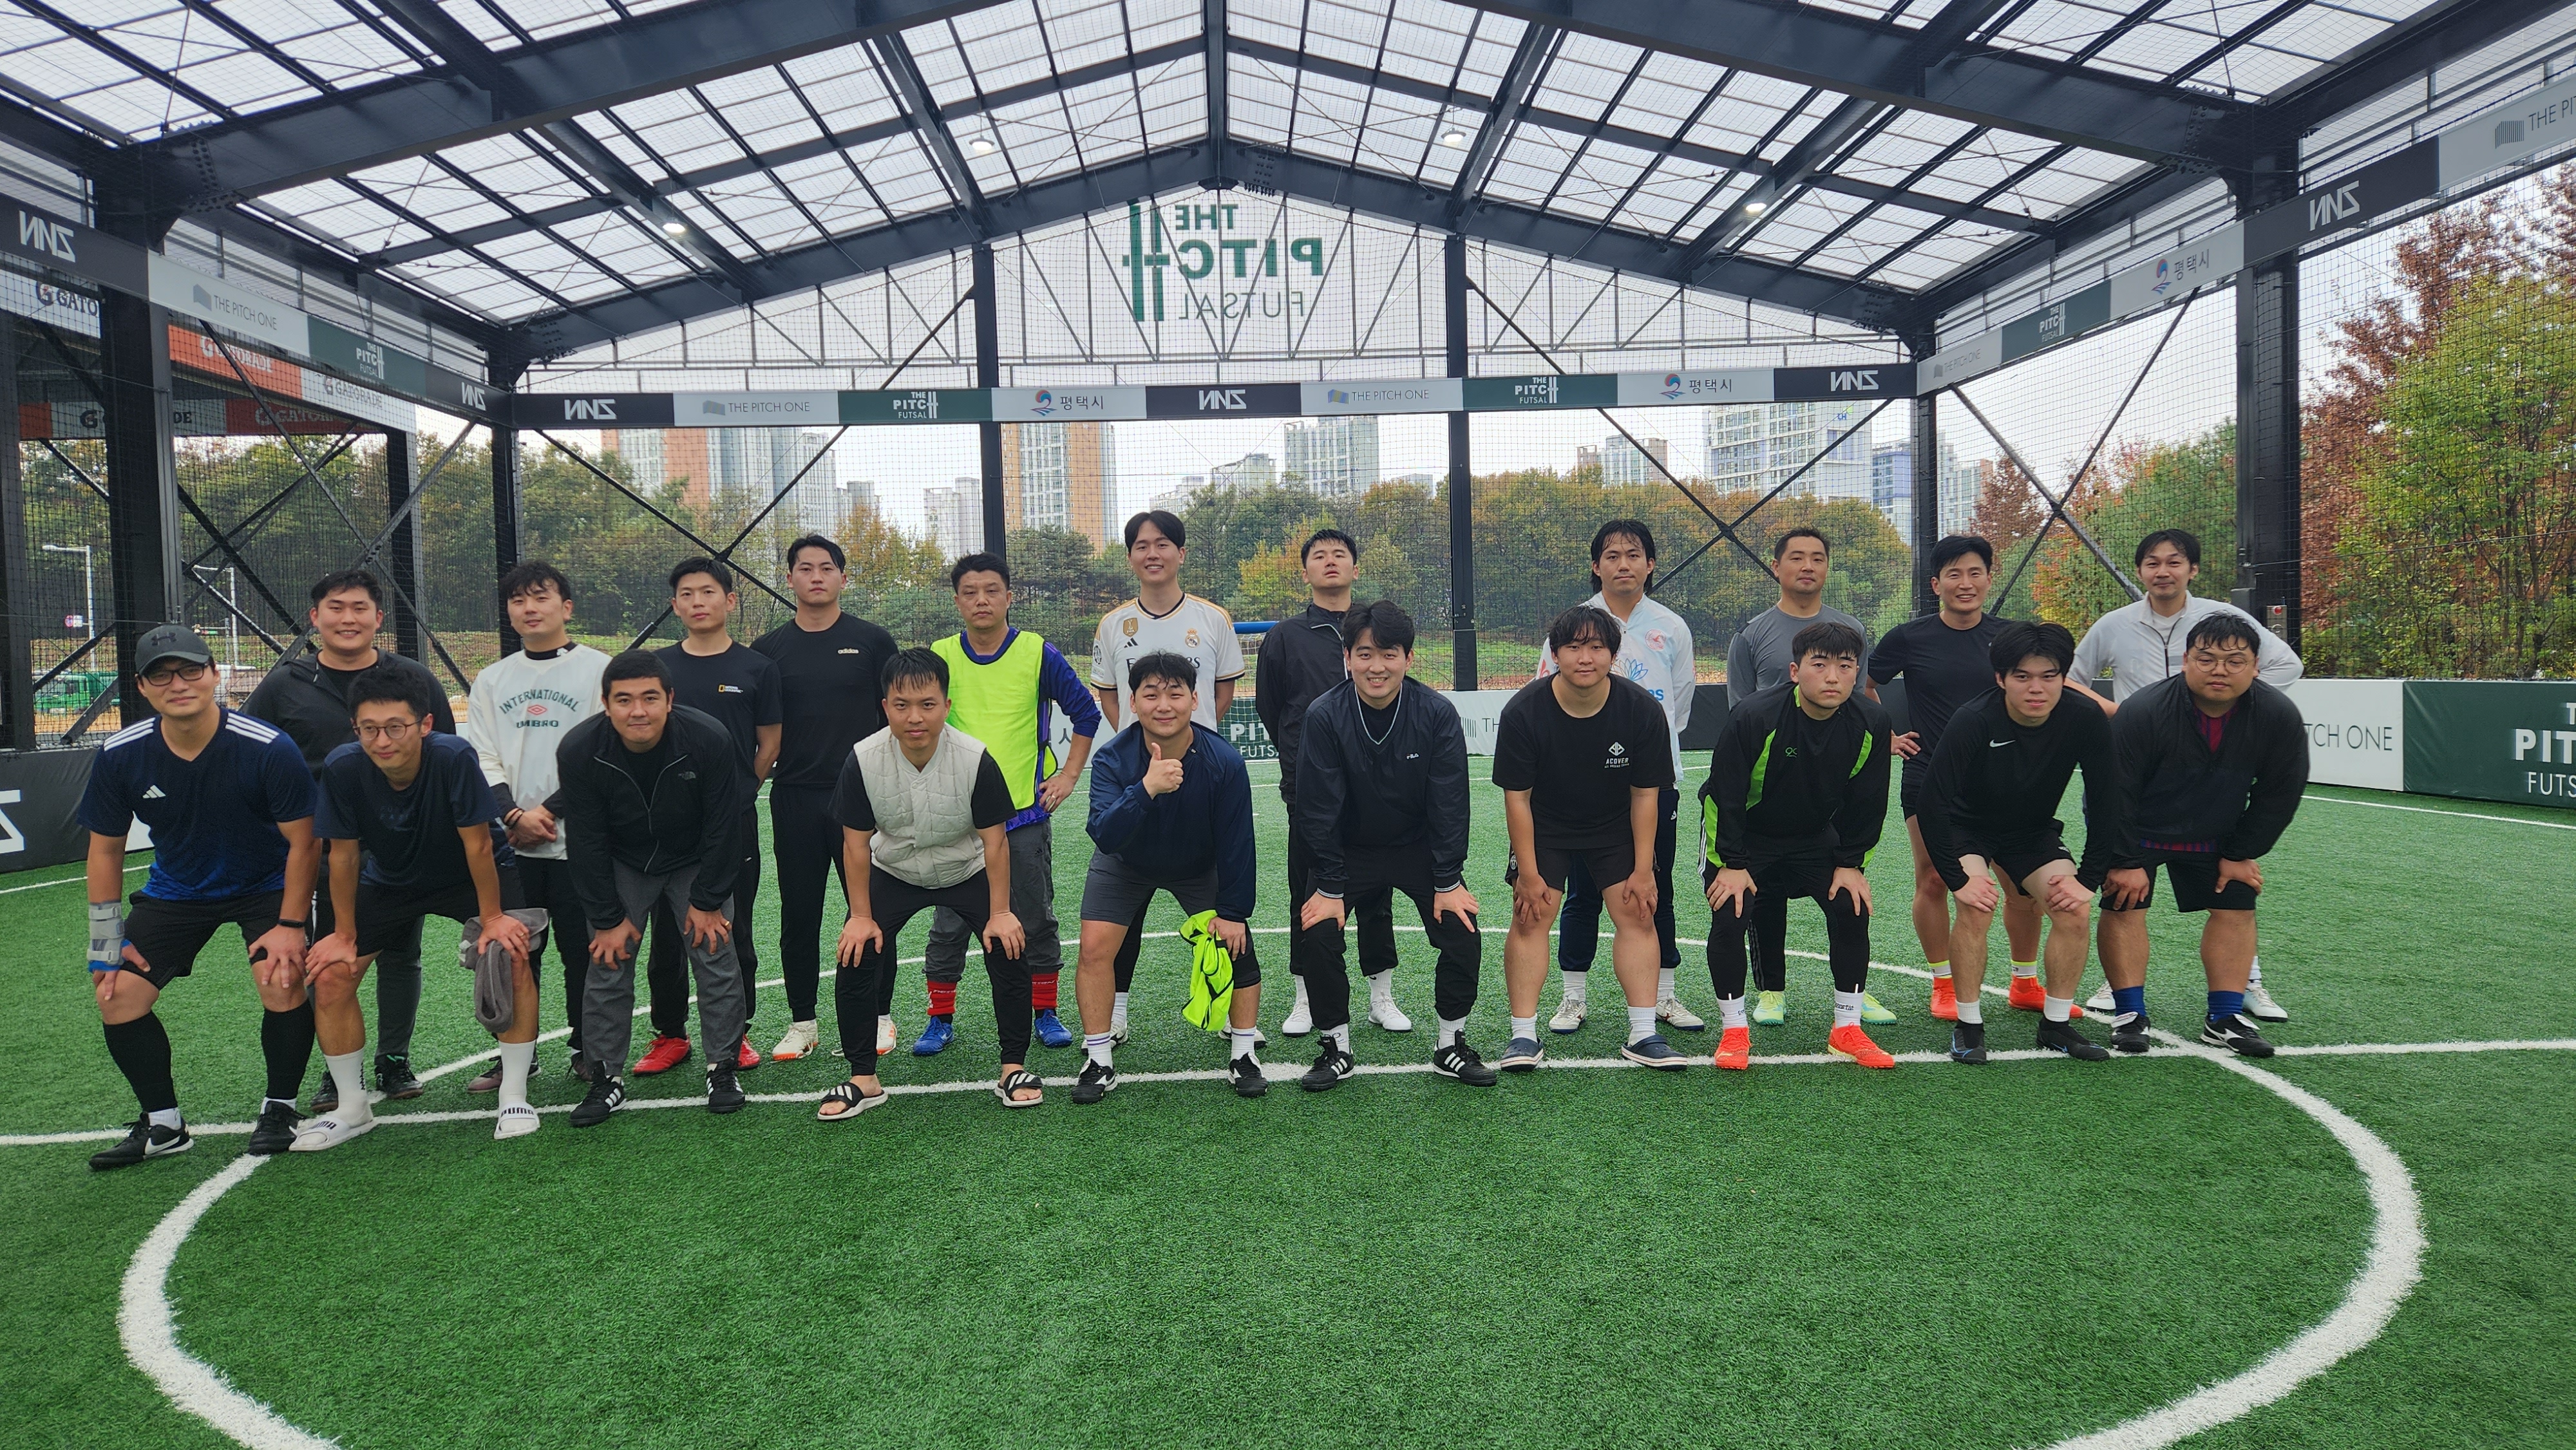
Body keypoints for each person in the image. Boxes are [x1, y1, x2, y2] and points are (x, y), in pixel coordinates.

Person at [79, 625, 319, 1169]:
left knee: (281, 979)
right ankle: (164, 1125)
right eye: (161, 675)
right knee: (116, 993)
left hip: (267, 885)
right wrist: (105, 938)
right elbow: (105, 851)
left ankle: (280, 1109)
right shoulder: (120, 754)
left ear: (214, 675)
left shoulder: (267, 746)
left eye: (190, 670)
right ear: (142, 686)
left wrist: (289, 926)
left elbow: (306, 843)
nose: (178, 683)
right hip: (178, 890)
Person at [298, 665, 540, 1147]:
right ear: (355, 728)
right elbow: (343, 856)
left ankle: (514, 1094)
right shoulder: (344, 767)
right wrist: (343, 935)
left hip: (466, 874)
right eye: (369, 729)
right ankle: (352, 1107)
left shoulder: (453, 757)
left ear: (424, 724)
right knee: (331, 975)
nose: (382, 741)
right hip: (390, 879)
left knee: (511, 956)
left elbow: (477, 845)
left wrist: (493, 920)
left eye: (395, 727)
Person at [242, 567, 455, 1109]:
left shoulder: (412, 677)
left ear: (378, 618)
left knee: (400, 955)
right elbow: (250, 756)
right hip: (323, 852)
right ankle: (339, 1069)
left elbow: (446, 753)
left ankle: (393, 1059)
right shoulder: (284, 685)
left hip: (400, 848)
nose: (348, 618)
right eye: (335, 608)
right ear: (315, 618)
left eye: (360, 608)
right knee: (331, 959)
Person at [2074, 528, 2304, 1022]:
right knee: (2124, 891)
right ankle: (2121, 989)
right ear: (2140, 571)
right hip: (2139, 770)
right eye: (2153, 563)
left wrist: (2236, 698)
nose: (2164, 572)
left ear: (2192, 570)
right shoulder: (2114, 626)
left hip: (2210, 775)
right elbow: (2071, 682)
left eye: (2174, 562)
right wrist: (2117, 713)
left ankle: (2246, 985)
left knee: (2234, 892)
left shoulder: (2223, 621)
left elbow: (2287, 665)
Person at [818, 648, 1034, 1120]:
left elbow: (995, 842)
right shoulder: (863, 759)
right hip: (895, 870)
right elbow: (855, 845)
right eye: (902, 705)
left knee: (1009, 945)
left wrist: (1001, 913)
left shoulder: (975, 758)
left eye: (927, 704)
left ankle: (1013, 1067)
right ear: (885, 707)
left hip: (965, 868)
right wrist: (860, 916)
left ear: (946, 705)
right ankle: (863, 1077)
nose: (914, 717)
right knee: (856, 952)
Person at [1291, 601, 1495, 1091]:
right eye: (1365, 654)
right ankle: (1336, 1046)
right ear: (1347, 658)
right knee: (1317, 931)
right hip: (1348, 852)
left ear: (1408, 658)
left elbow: (1450, 804)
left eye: (1389, 654)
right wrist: (1330, 886)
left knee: (1462, 929)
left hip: (1417, 848)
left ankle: (1450, 1043)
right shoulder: (1324, 715)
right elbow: (1318, 810)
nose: (1376, 666)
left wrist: (1448, 880)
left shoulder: (1436, 713)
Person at [556, 652, 757, 1125]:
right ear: (605, 703)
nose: (638, 711)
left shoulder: (708, 737)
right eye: (624, 700)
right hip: (624, 860)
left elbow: (724, 825)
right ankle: (605, 1077)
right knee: (608, 959)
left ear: (670, 699)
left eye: (649, 698)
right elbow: (585, 840)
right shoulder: (579, 749)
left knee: (714, 951)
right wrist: (607, 918)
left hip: (693, 858)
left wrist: (707, 901)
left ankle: (722, 1069)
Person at [2098, 614, 2309, 1059]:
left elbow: (2280, 793)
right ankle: (2130, 1013)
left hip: (2218, 833)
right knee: (2124, 903)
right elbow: (2112, 791)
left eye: (2235, 661)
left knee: (2236, 906)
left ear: (2256, 666)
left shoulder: (2277, 715)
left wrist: (2241, 852)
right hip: (2141, 829)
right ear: (2185, 661)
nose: (2220, 670)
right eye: (2207, 659)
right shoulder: (2144, 711)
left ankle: (2224, 1018)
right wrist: (2125, 859)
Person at [1913, 623, 2124, 1066]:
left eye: (2049, 676)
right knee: (1976, 906)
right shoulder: (1974, 718)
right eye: (2023, 677)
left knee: (2073, 910)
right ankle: (1969, 1027)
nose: (2036, 688)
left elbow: (2108, 802)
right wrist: (1958, 879)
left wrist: (2088, 879)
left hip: (2031, 832)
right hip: (1967, 827)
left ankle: (2056, 1025)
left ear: (2064, 677)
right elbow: (1932, 802)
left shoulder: (2084, 718)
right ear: (2001, 678)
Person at [918, 553, 1098, 1056]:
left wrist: (1068, 775)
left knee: (1034, 917)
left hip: (1022, 815)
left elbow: (1086, 713)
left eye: (992, 590)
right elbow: (915, 719)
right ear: (957, 601)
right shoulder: (939, 656)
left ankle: (1045, 1012)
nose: (982, 600)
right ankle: (939, 1019)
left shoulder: (1037, 652)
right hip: (956, 820)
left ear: (1009, 597)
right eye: (970, 592)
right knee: (949, 922)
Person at [1493, 605, 1683, 1073]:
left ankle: (1643, 1034)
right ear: (1555, 654)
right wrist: (1529, 873)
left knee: (1638, 911)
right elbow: (1518, 800)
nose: (1585, 657)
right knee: (1531, 915)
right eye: (1574, 647)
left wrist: (1644, 869)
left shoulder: (1641, 710)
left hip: (1615, 825)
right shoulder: (1523, 711)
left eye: (1597, 647)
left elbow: (1646, 796)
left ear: (1613, 655)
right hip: (1546, 824)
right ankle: (1523, 1036)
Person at [1700, 621, 1895, 1071]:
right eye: (1819, 665)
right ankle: (1734, 1031)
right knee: (1730, 913)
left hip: (1812, 837)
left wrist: (1851, 863)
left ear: (1857, 672)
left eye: (1845, 666)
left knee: (1851, 906)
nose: (1832, 677)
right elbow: (1724, 795)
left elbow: (1868, 802)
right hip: (1746, 836)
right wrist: (1732, 863)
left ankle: (1847, 1028)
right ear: (1795, 671)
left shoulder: (1872, 722)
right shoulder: (1755, 715)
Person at [1070, 652, 1264, 1103]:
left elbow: (1237, 844)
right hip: (1125, 863)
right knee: (1094, 949)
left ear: (1194, 700)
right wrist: (1146, 789)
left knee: (1238, 948)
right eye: (1151, 694)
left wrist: (1233, 913)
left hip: (1197, 867)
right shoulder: (1112, 759)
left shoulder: (1224, 761)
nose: (1163, 705)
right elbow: (1104, 834)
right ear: (1132, 703)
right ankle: (1098, 1059)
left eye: (1175, 694)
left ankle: (1243, 1053)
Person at [1866, 536, 2041, 1022]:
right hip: (1929, 776)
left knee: (2019, 882)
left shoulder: (2012, 639)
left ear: (1989, 578)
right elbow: (1865, 685)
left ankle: (2025, 982)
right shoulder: (1908, 637)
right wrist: (1888, 735)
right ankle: (1943, 982)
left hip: (2003, 779)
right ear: (1936, 584)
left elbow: (2042, 688)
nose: (1966, 583)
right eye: (1954, 574)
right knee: (1933, 878)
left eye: (1975, 572)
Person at [1725, 526, 1893, 1027]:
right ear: (1776, 567)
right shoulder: (1752, 634)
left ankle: (1854, 994)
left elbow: (1858, 702)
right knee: (1764, 896)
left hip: (1828, 787)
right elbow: (1741, 710)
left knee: (1847, 893)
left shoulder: (1850, 628)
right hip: (1771, 780)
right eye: (1796, 557)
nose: (1808, 566)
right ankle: (1771, 990)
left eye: (1817, 558)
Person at [1087, 510, 1245, 1044]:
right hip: (1136, 774)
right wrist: (1143, 743)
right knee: (1122, 906)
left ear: (1181, 553)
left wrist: (1187, 736)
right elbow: (1110, 696)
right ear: (1130, 556)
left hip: (1199, 770)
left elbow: (1221, 692)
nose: (1152, 554)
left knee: (1216, 904)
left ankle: (1229, 1011)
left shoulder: (1213, 619)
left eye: (1162, 544)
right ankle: (1116, 1013)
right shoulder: (1113, 624)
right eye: (1141, 545)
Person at [1536, 519, 1696, 1037]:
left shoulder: (1671, 628)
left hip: (1653, 781)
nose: (1623, 564)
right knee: (1582, 893)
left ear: (1650, 564)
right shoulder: (1571, 627)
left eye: (1633, 555)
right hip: (1582, 788)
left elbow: (1678, 707)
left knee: (1655, 886)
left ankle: (1664, 996)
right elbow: (1545, 698)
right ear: (1596, 566)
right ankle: (1573, 997)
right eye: (1611, 556)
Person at [752, 534, 900, 1062]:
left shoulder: (873, 641)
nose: (816, 576)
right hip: (794, 797)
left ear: (843, 577)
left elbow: (896, 714)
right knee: (799, 914)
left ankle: (879, 1016)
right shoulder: (767, 651)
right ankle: (803, 1023)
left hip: (862, 798)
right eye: (805, 568)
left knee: (870, 910)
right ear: (789, 578)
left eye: (826, 568)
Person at [461, 561, 609, 1086]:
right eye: (518, 600)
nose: (529, 608)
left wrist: (549, 811)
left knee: (582, 951)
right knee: (511, 953)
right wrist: (512, 814)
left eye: (541, 597)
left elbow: (600, 752)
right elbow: (482, 755)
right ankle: (515, 1055)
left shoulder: (600, 670)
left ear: (566, 607)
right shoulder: (492, 679)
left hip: (577, 842)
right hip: (512, 846)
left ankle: (589, 1050)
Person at [1256, 527, 1399, 1039]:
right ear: (1306, 573)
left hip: (1377, 786)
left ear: (1356, 569)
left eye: (1340, 555)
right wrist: (1303, 762)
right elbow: (1272, 710)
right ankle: (1306, 998)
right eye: (1320, 556)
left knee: (1377, 891)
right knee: (1308, 889)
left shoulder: (1379, 627)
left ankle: (1381, 996)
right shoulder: (1285, 637)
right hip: (1310, 789)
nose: (1331, 561)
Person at [640, 557, 779, 1079]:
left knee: (732, 927)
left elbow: (770, 744)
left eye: (708, 592)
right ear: (675, 605)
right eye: (687, 594)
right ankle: (670, 1033)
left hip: (732, 824)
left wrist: (738, 796)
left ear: (730, 600)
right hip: (665, 828)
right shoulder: (656, 668)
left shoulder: (756, 668)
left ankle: (735, 1033)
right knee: (667, 936)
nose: (698, 602)